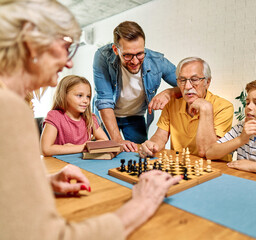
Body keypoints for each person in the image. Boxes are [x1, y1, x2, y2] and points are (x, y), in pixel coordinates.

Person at [0, 1, 181, 239]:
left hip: (136, 118)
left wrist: (40, 183)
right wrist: (142, 204)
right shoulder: (9, 106)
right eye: (65, 47)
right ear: (30, 44)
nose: (69, 63)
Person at [93, 21, 180, 152]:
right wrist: (117, 140)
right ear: (116, 50)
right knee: (103, 155)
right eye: (127, 55)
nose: (135, 61)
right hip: (106, 117)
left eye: (140, 54)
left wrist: (169, 92)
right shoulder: (102, 56)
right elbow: (104, 100)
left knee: (139, 155)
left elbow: (188, 85)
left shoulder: (157, 61)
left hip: (135, 117)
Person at [139, 57, 234, 158]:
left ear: (207, 82)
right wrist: (152, 145)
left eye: (194, 80)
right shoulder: (172, 104)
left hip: (216, 168)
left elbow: (207, 151)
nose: (188, 86)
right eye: (182, 80)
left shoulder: (224, 107)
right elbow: (160, 137)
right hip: (182, 167)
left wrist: (206, 109)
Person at [41, 75, 108, 156]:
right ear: (64, 95)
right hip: (60, 164)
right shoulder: (54, 116)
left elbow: (105, 141)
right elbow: (45, 149)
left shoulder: (90, 117)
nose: (86, 101)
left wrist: (73, 147)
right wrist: (83, 147)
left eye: (88, 96)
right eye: (80, 95)